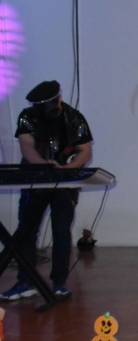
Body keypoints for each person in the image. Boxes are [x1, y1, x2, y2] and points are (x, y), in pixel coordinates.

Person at [0, 80, 93, 300]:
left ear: (59, 99)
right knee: (27, 229)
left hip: (64, 182)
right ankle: (26, 281)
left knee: (61, 230)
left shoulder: (74, 118)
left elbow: (85, 151)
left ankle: (59, 283)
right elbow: (26, 145)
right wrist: (43, 164)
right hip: (34, 179)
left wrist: (68, 168)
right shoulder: (27, 116)